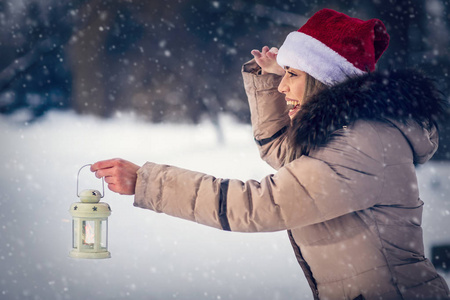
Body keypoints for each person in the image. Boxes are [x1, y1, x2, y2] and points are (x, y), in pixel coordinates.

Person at [90, 8, 450, 300]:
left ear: (322, 79)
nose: (281, 84)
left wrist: (147, 182)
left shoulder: (363, 142)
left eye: (291, 74)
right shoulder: (349, 132)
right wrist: (270, 81)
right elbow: (283, 150)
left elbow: (260, 206)